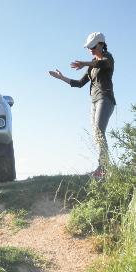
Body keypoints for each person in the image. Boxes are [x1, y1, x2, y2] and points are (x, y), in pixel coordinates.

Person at [49, 32, 116, 178]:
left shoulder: (107, 58)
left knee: (99, 131)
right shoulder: (92, 65)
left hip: (105, 98)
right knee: (96, 135)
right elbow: (79, 84)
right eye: (88, 47)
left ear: (101, 44)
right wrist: (61, 78)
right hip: (93, 102)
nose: (90, 49)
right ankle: (102, 168)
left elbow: (102, 63)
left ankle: (103, 168)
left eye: (92, 46)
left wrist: (84, 63)